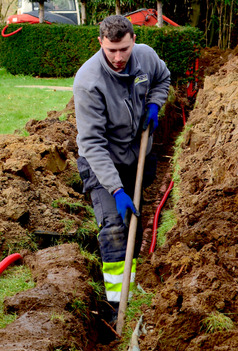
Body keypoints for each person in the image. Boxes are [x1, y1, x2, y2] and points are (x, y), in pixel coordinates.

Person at [73, 15, 171, 309]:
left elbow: (163, 78)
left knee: (133, 223)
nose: (118, 57)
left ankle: (132, 282)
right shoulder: (89, 82)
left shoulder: (146, 57)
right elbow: (92, 143)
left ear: (133, 41)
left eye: (124, 49)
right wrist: (116, 190)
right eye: (111, 50)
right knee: (115, 227)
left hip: (135, 155)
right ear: (100, 42)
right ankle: (117, 305)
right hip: (102, 161)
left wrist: (154, 104)